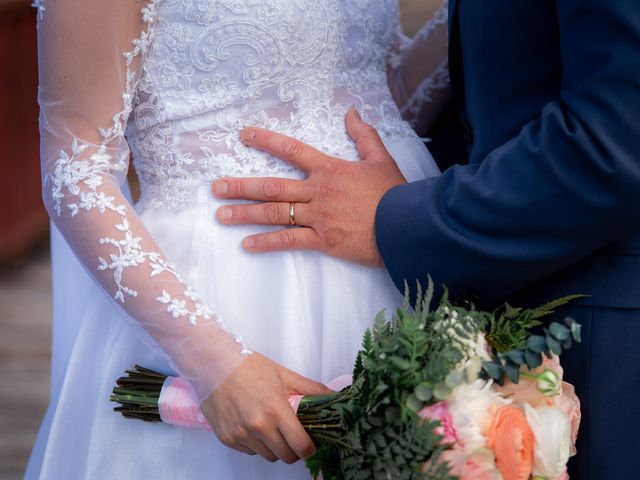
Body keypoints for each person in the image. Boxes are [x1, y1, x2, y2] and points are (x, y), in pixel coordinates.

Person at [212, 0, 640, 478]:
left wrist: (388, 217)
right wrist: (211, 360)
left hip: (594, 339)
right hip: (268, 283)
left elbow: (620, 137)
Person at [25, 0, 451, 478]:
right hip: (242, 293)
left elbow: (379, 91)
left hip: (405, 265)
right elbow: (76, 166)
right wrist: (216, 365)